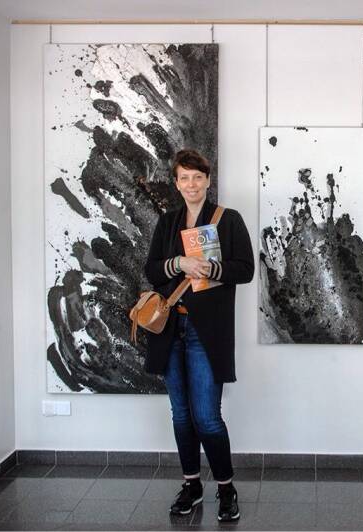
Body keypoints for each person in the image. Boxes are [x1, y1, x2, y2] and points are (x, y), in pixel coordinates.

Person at [144, 149, 254, 522]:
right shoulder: (167, 222)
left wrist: (211, 268)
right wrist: (179, 262)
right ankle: (191, 485)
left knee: (207, 416)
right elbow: (152, 270)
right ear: (176, 184)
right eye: (184, 178)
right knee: (180, 414)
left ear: (207, 180)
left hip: (207, 331)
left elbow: (245, 270)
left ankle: (226, 488)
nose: (191, 184)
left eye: (197, 177)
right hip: (170, 328)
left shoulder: (228, 219)